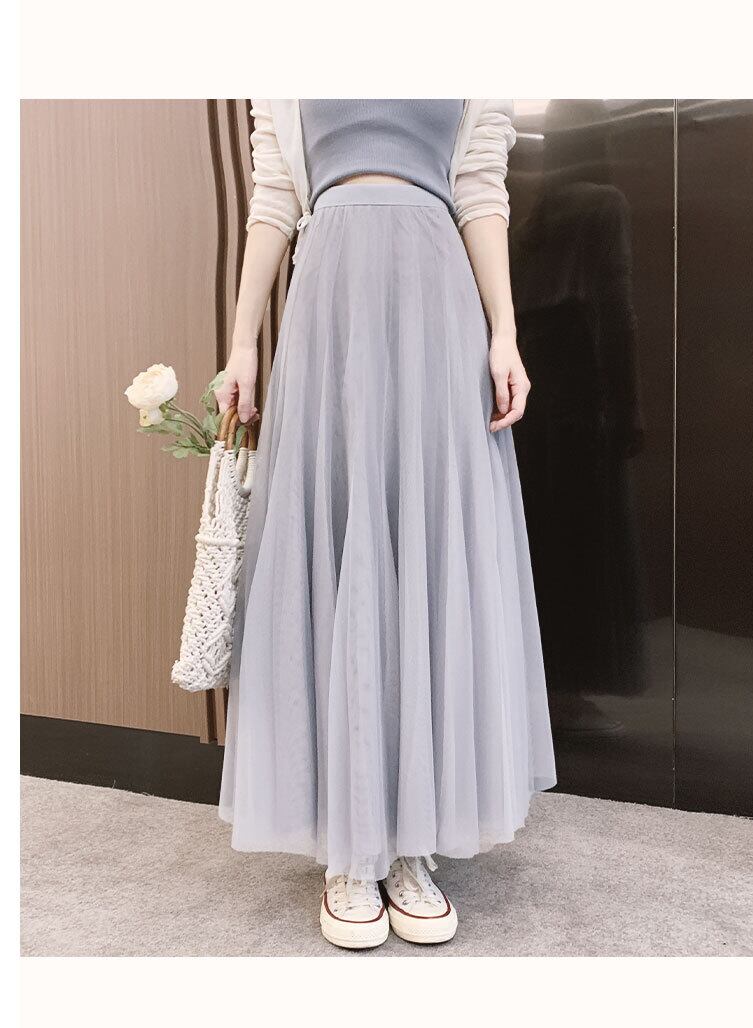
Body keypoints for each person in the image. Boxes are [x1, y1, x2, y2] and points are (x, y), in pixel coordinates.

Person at [216, 99, 556, 951]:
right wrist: (243, 342)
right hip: (329, 303)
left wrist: (505, 333)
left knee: (425, 547)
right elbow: (274, 197)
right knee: (343, 552)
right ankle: (350, 847)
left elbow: (479, 192)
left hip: (435, 303)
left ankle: (410, 842)